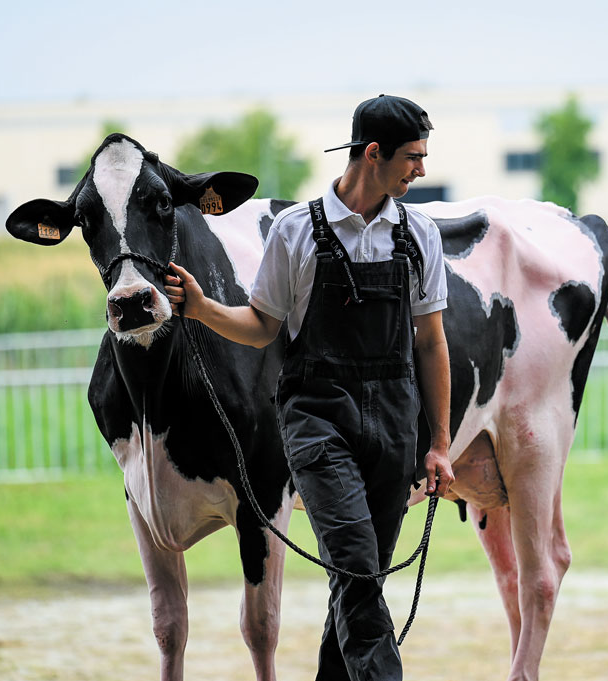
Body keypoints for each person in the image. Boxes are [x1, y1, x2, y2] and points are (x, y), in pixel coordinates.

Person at [165, 94, 455, 681]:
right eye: (413, 157)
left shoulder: (419, 234)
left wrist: (441, 442)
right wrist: (199, 308)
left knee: (357, 580)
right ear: (373, 153)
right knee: (355, 568)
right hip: (318, 420)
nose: (421, 170)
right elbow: (262, 326)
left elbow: (431, 343)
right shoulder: (296, 232)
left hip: (394, 425)